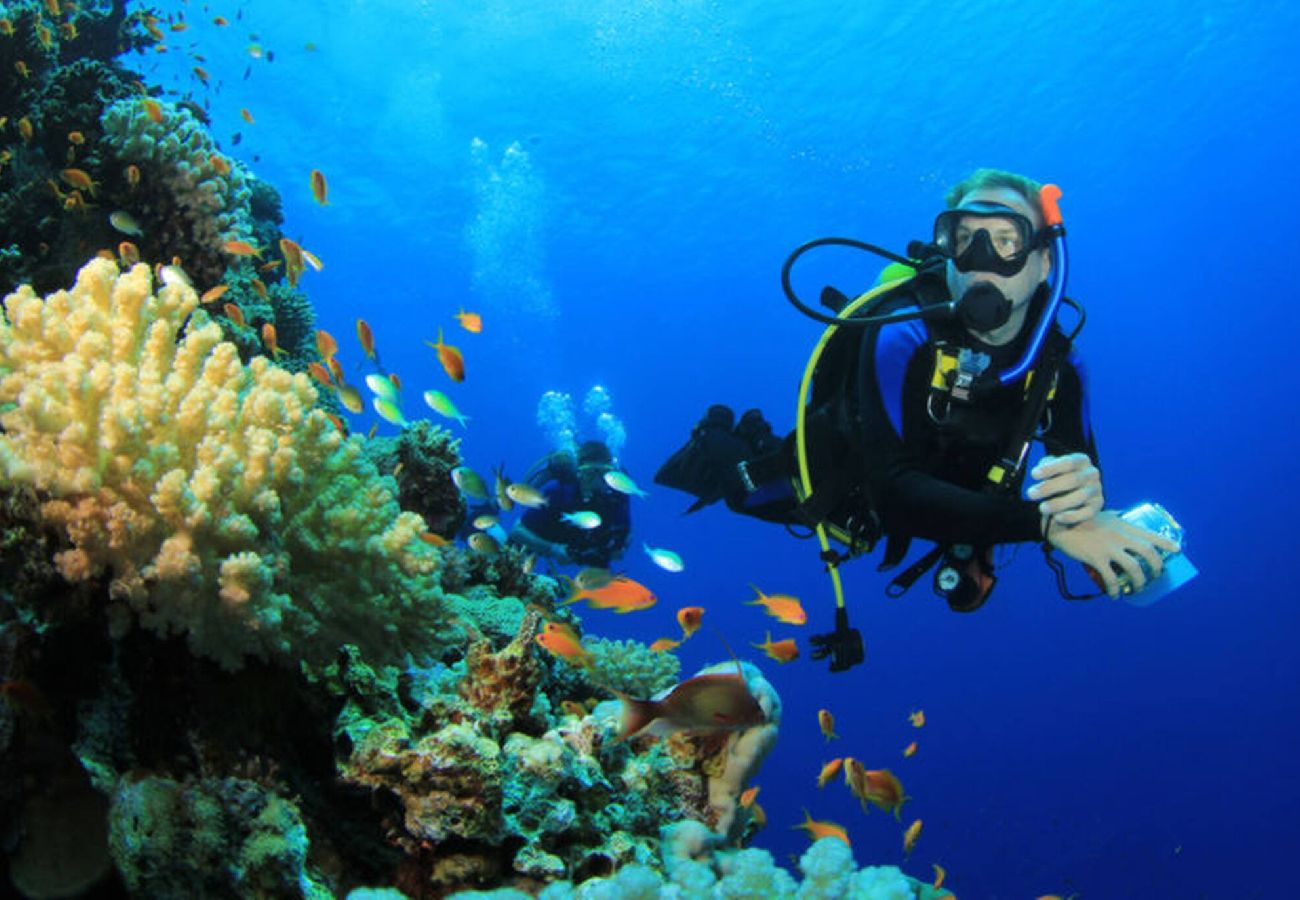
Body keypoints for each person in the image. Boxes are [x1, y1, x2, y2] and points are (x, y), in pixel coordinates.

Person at [657, 168, 1179, 624]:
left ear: (1045, 261)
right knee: (741, 491)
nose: (980, 260)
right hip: (849, 478)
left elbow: (1078, 484)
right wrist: (1042, 525)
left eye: (1005, 239)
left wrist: (1083, 499)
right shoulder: (903, 334)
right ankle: (721, 440)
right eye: (964, 237)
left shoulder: (1059, 366)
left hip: (954, 489)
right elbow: (893, 492)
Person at [509, 440, 632, 567]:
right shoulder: (559, 492)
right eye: (590, 473)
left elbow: (626, 534)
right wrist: (553, 549)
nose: (597, 481)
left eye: (603, 474)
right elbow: (517, 531)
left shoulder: (618, 495)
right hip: (551, 534)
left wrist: (615, 549)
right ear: (579, 473)